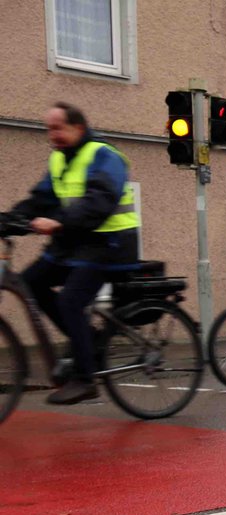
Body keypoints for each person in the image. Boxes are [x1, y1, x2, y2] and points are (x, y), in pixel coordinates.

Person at [7, 102, 139, 404]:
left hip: (110, 243)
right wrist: (10, 219)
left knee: (70, 300)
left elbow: (100, 200)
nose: (51, 134)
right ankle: (88, 339)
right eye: (48, 129)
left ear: (77, 128)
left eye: (57, 128)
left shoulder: (104, 156)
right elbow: (40, 199)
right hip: (76, 241)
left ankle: (85, 377)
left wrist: (59, 222)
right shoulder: (59, 160)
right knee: (31, 281)